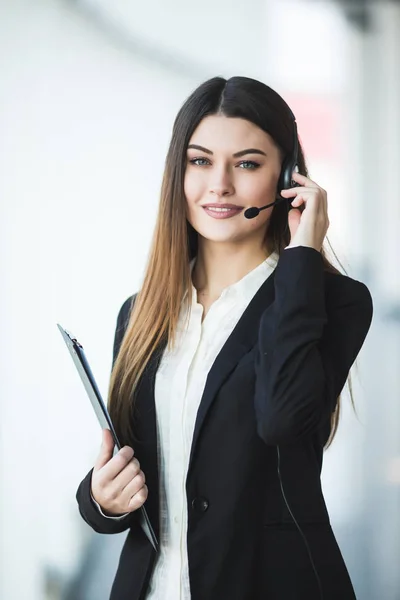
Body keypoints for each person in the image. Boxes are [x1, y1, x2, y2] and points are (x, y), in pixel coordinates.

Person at [76, 76, 373, 600]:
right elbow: (127, 467)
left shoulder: (333, 304)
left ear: (288, 177)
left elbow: (282, 417)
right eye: (200, 161)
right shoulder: (140, 315)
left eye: (248, 164)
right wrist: (102, 498)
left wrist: (302, 257)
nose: (220, 185)